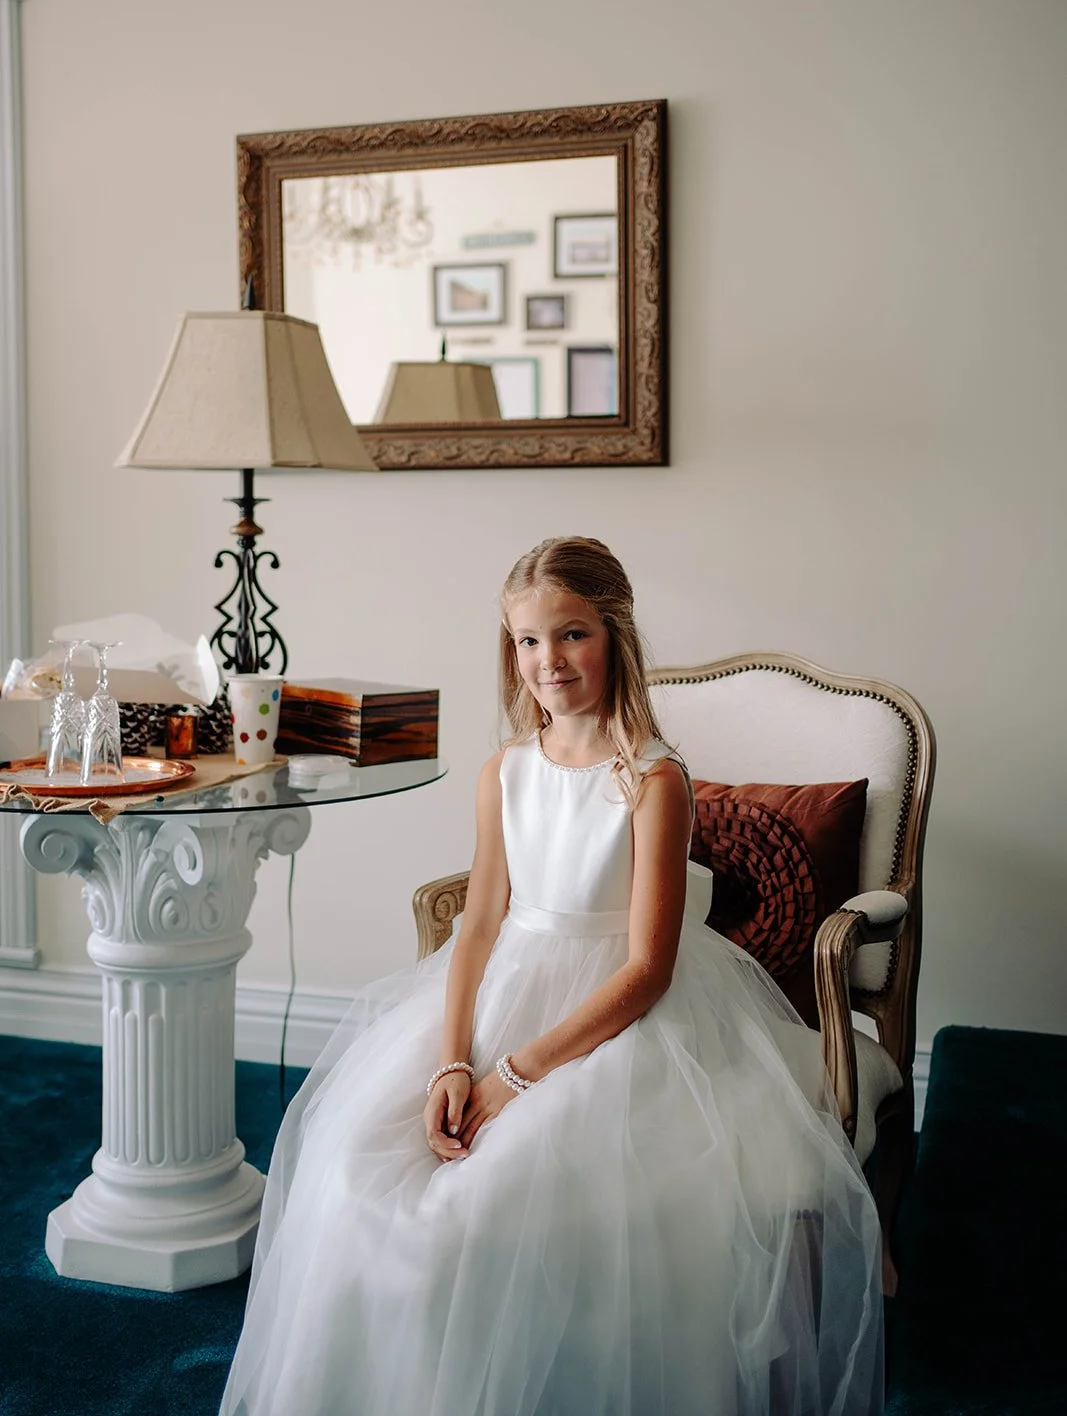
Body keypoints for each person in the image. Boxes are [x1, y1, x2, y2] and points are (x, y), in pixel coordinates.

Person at [220, 536, 883, 1416]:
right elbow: (479, 927)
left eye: (570, 635)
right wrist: (453, 1064)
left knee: (496, 1204)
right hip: (506, 993)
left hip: (620, 1023)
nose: (548, 662)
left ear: (613, 638)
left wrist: (511, 1078)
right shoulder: (506, 772)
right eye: (527, 641)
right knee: (353, 1167)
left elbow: (648, 969)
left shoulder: (653, 780)